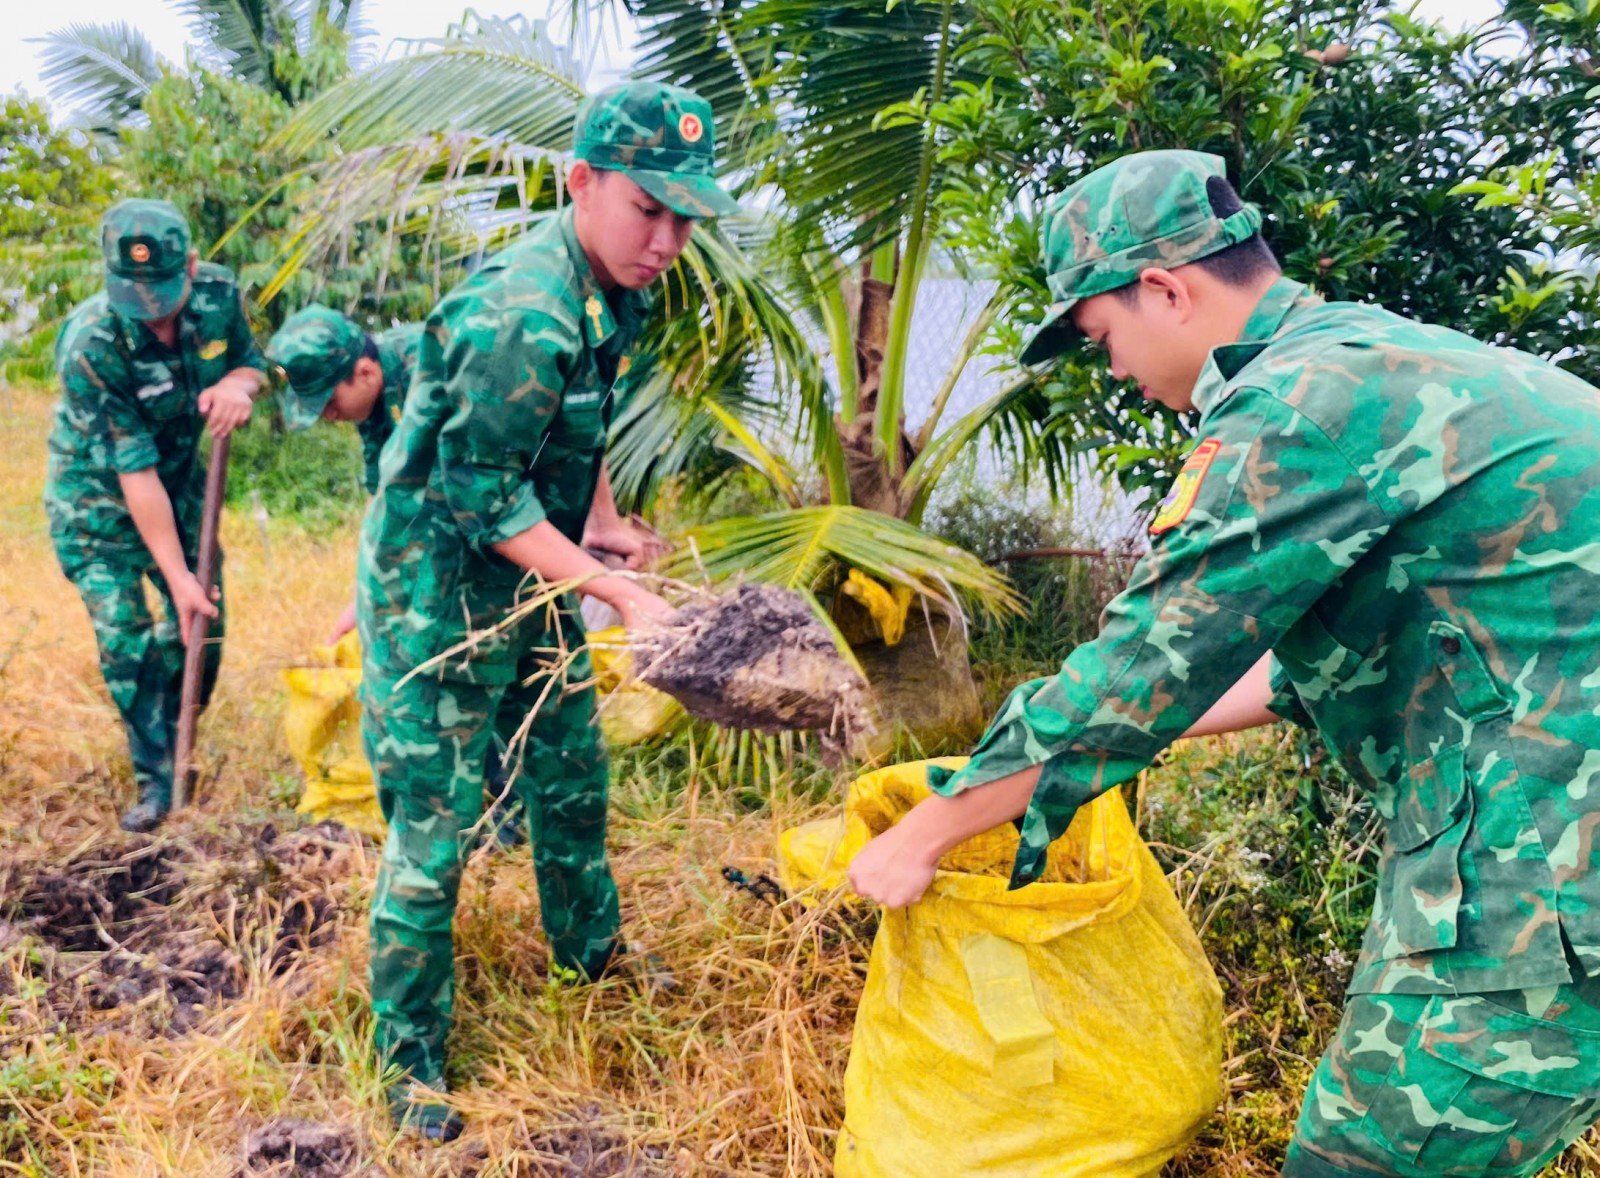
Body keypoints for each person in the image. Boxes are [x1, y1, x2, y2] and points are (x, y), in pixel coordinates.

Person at [848, 149, 1600, 1177]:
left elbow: (1136, 668)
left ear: (1163, 287)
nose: (1113, 368)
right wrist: (1117, 739)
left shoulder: (1297, 406)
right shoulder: (1373, 363)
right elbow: (1261, 667)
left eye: (1100, 335)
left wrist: (925, 833)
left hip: (1545, 875)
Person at [355, 80, 738, 1139]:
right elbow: (479, 492)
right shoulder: (520, 307)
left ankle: (592, 951)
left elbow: (579, 421)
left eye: (682, 218)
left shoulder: (614, 284)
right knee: (434, 834)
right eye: (645, 209)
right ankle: (408, 1056)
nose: (665, 240)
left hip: (536, 570)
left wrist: (602, 521)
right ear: (581, 181)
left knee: (570, 772)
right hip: (439, 594)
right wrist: (614, 585)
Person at [44, 198, 266, 833]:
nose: (151, 310)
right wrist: (177, 576)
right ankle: (156, 778)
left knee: (205, 625)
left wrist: (238, 386)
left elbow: (253, 363)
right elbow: (133, 473)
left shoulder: (220, 295)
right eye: (133, 292)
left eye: (163, 291)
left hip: (183, 487)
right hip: (99, 502)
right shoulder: (91, 343)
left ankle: (178, 737)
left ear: (192, 266)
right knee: (126, 638)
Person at [264, 304, 422, 643]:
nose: (327, 415)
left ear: (365, 373)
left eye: (330, 402)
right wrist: (362, 596)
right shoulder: (374, 397)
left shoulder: (427, 372)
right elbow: (382, 497)